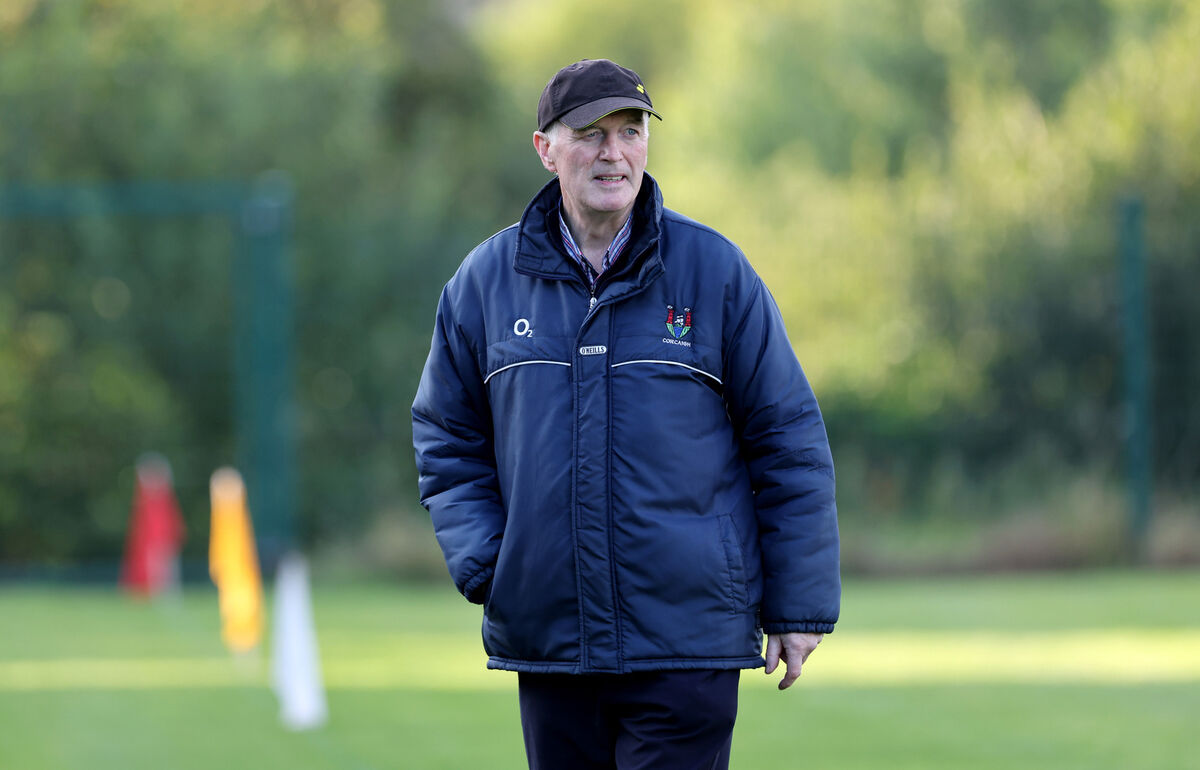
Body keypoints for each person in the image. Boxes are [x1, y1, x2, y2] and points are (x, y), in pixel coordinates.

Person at [412, 58, 840, 770]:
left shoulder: (715, 272)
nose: (614, 152)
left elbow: (788, 440)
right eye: (591, 134)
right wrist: (492, 564)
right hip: (552, 640)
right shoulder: (483, 283)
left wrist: (798, 606)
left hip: (688, 640)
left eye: (631, 131)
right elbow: (446, 436)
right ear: (546, 149)